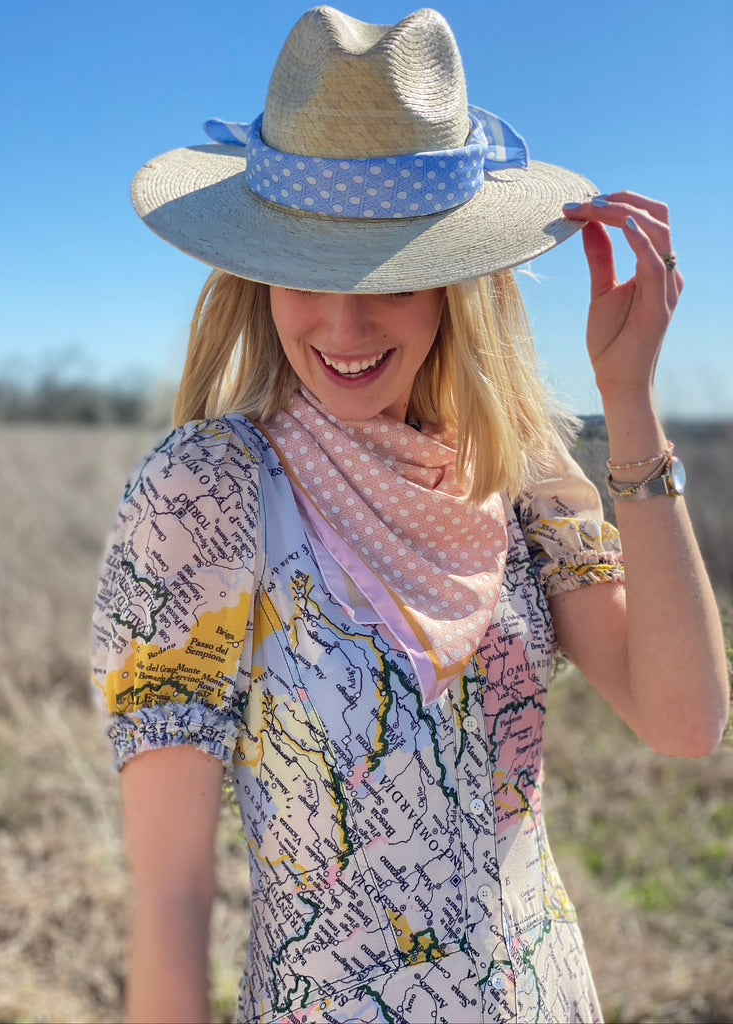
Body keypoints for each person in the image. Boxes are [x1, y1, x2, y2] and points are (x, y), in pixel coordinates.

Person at [91, 7, 729, 1023]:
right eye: (308, 269)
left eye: (390, 275)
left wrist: (632, 409)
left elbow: (686, 721)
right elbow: (172, 901)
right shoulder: (207, 496)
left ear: (458, 285)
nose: (343, 324)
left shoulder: (522, 474)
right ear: (258, 276)